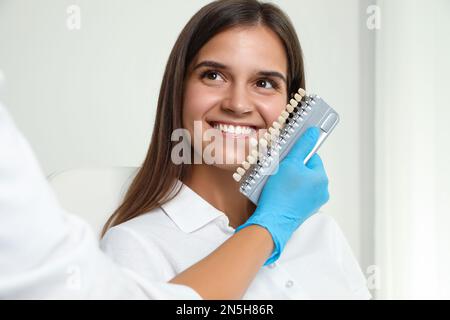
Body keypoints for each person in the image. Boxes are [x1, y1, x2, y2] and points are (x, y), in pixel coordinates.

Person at [100, 0, 371, 299]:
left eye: (264, 82)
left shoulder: (321, 233)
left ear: (289, 106)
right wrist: (270, 225)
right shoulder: (134, 245)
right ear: (179, 90)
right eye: (214, 76)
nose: (237, 104)